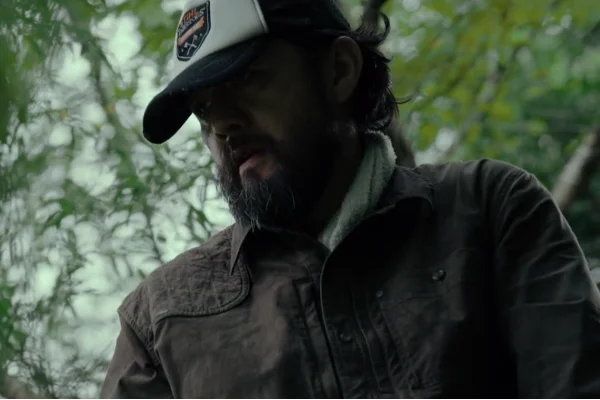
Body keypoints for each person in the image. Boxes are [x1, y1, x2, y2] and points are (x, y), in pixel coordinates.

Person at [100, 0, 600, 398]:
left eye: (247, 80)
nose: (223, 124)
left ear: (339, 70)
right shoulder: (159, 322)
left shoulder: (487, 210)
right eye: (205, 108)